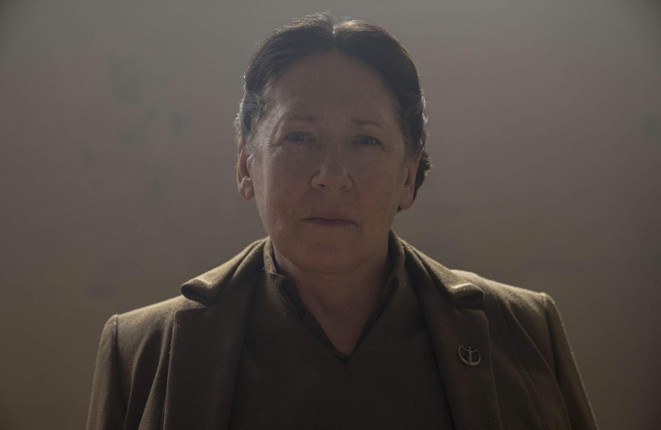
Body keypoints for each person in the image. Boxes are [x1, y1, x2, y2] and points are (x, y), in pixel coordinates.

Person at [86, 13, 598, 430]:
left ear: (408, 173)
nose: (331, 176)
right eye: (299, 137)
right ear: (245, 163)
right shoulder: (144, 350)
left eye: (365, 140)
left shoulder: (522, 331)